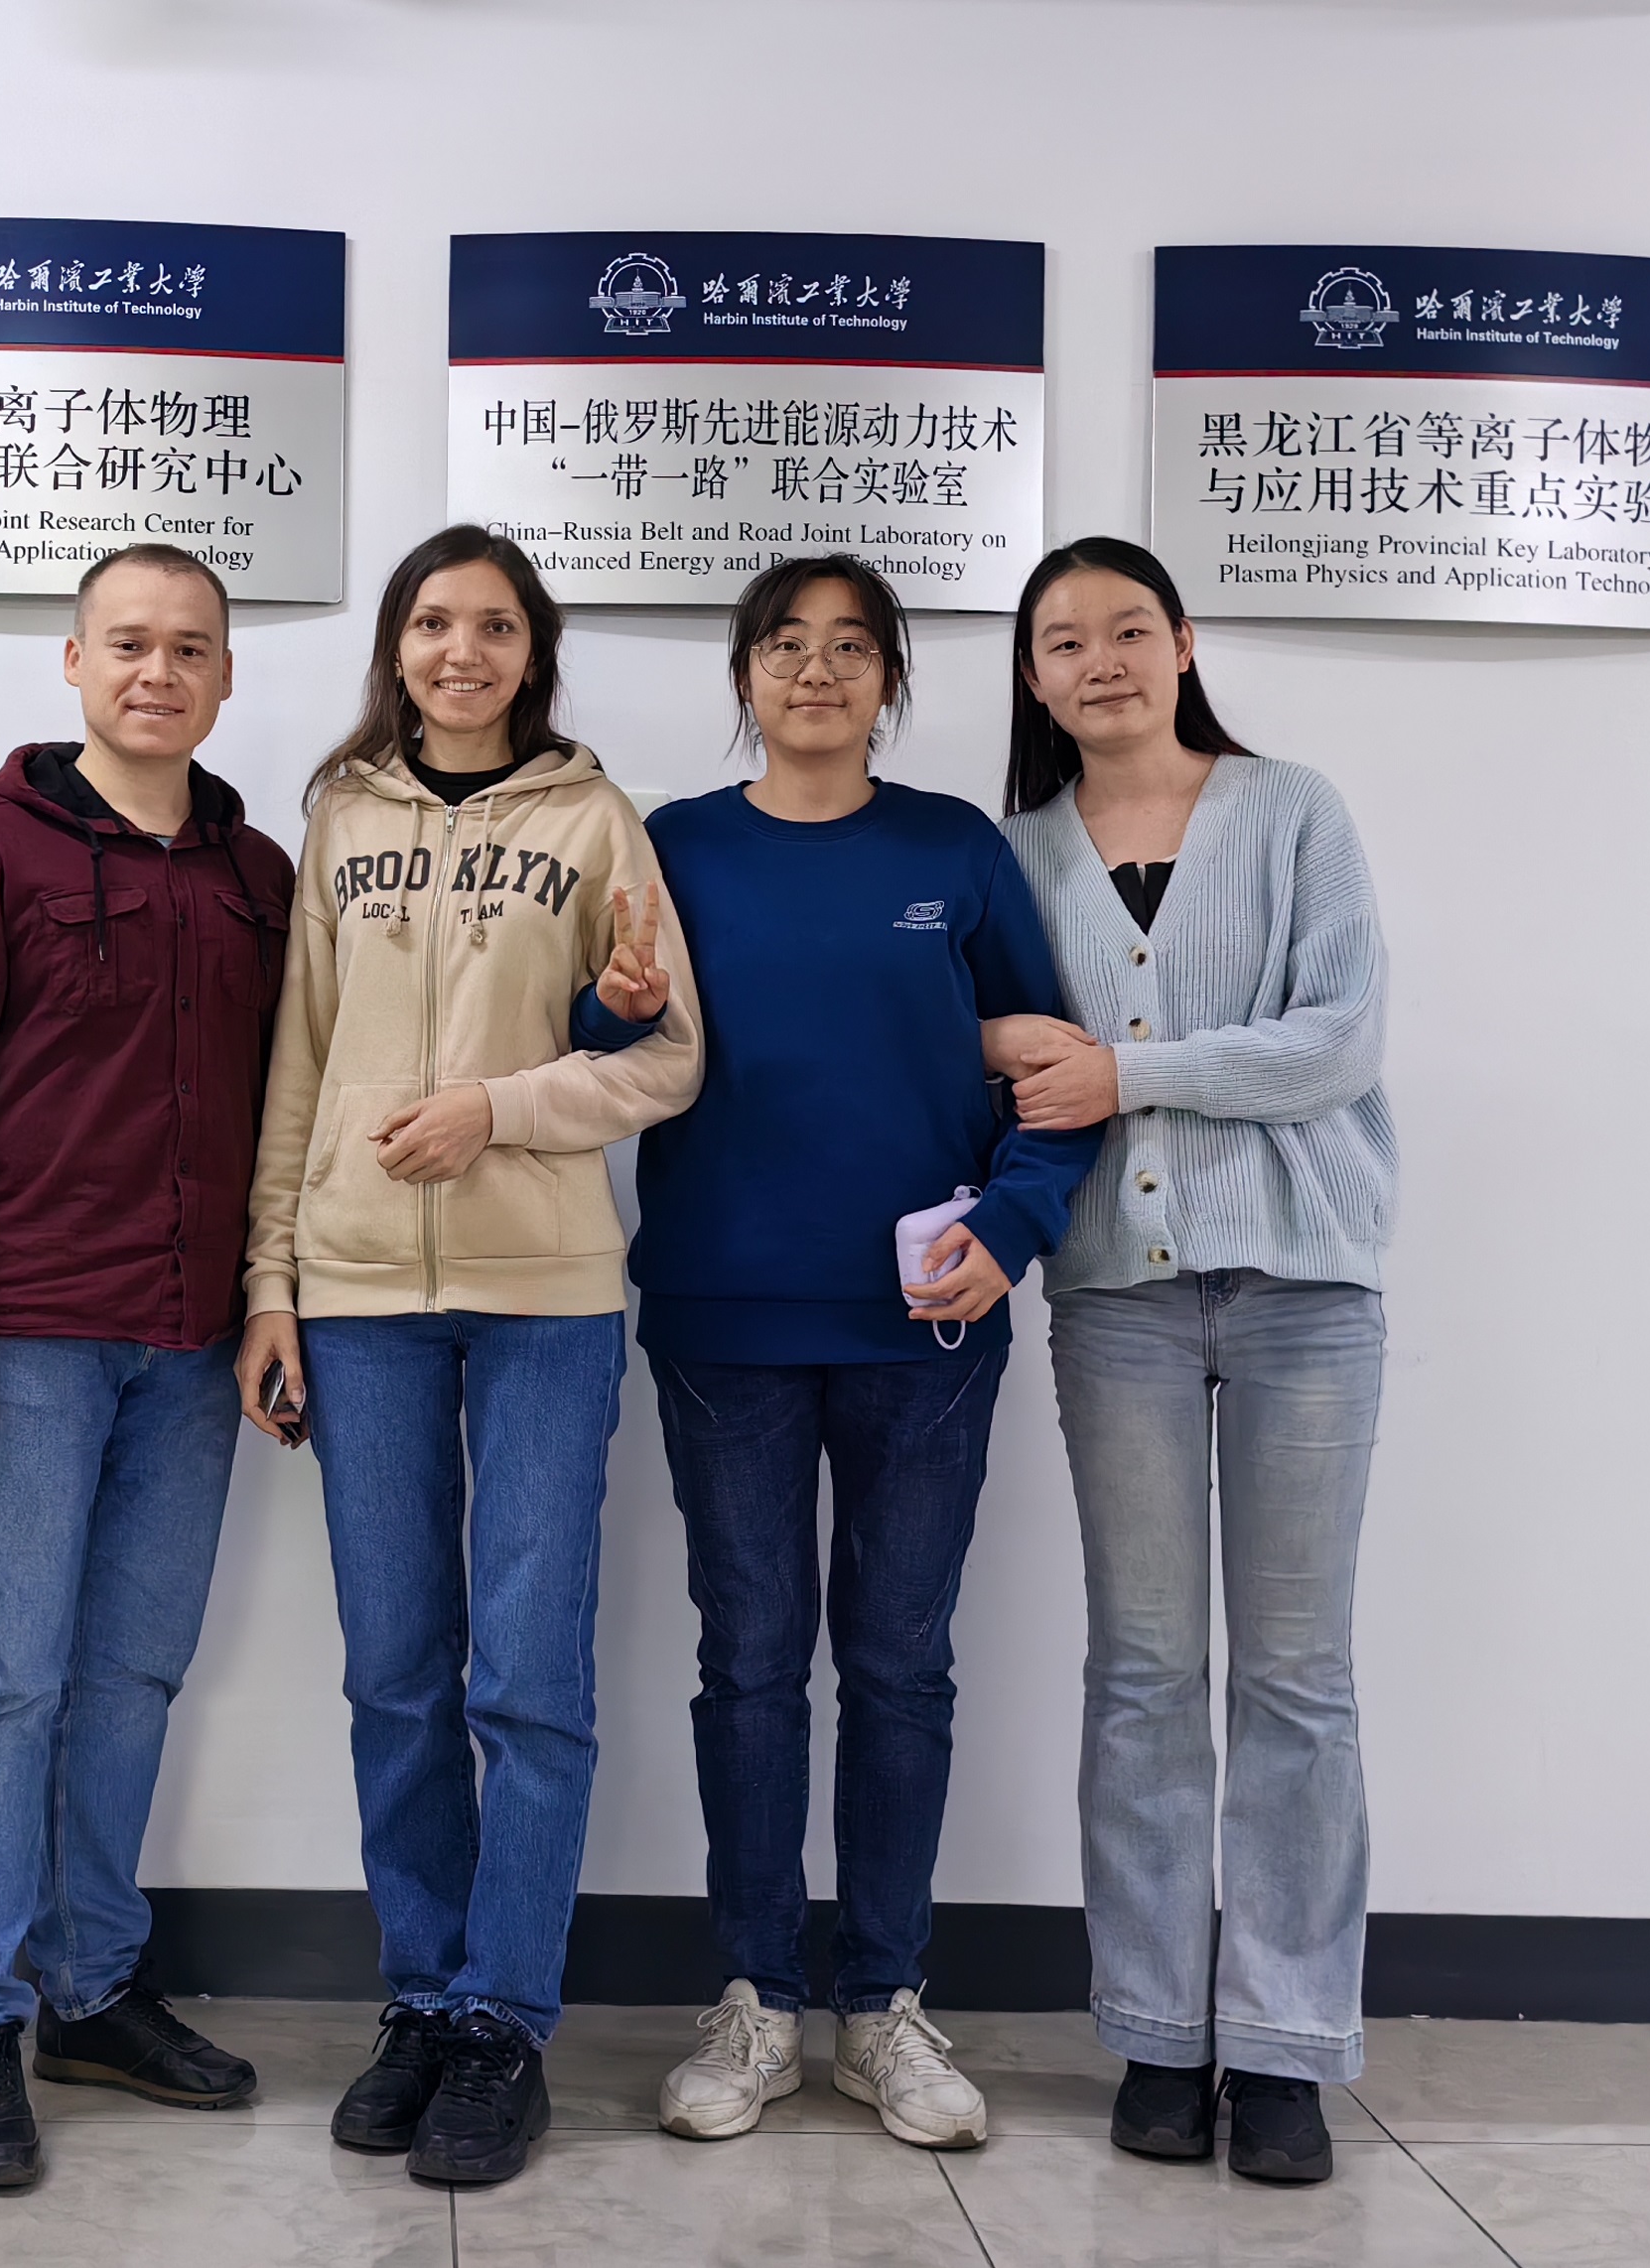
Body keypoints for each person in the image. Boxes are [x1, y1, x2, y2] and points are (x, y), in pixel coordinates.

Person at [587, 555, 1101, 2151]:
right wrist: (607, 1008)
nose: (815, 671)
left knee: (897, 1662)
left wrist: (1011, 1225)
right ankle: (753, 1995)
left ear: (889, 679)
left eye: (850, 647)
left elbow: (1054, 1074)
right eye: (785, 645)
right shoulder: (672, 846)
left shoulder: (952, 850)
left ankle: (881, 2002)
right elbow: (608, 1051)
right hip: (725, 1320)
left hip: (923, 1326)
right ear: (744, 673)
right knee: (748, 1660)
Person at [235, 524, 702, 2189]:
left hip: (545, 1297)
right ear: (396, 644)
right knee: (394, 1668)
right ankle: (423, 1999)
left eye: (493, 626)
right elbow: (298, 1063)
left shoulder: (593, 819)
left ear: (531, 651)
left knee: (526, 1674)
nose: (460, 651)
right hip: (357, 1294)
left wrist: (498, 1105)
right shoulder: (339, 817)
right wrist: (270, 1280)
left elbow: (666, 1057)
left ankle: (505, 2017)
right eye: (433, 622)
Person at [0, 543, 293, 2193]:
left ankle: (91, 1988)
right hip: (26, 1336)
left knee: (129, 1678)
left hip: (192, 1346)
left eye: (187, 648)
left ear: (225, 674)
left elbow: (286, 1106)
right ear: (73, 661)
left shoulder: (257, 871)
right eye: (126, 643)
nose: (155, 672)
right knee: (4, 1683)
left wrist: (274, 1305)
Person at [990, 535, 1394, 2188]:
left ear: (1182, 642)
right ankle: (1159, 2030)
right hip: (1116, 1298)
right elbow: (984, 1041)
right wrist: (1020, 1052)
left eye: (1126, 629)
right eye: (1062, 640)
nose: (1098, 660)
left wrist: (1125, 1071)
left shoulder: (1291, 810)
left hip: (1303, 1287)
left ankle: (1285, 2044)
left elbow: (1335, 1039)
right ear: (1032, 677)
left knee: (1295, 1675)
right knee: (1143, 1669)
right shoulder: (1014, 853)